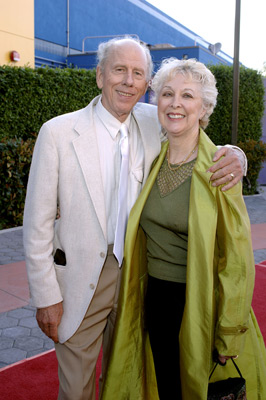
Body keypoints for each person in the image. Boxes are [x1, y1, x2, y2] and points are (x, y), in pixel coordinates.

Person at [23, 37, 246, 400]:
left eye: (138, 73)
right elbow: (36, 225)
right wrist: (45, 295)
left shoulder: (154, 118)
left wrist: (237, 155)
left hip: (137, 276)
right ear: (99, 76)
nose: (128, 81)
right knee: (77, 388)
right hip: (81, 280)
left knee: (126, 378)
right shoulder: (58, 133)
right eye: (119, 70)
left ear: (146, 85)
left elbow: (199, 137)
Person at [101, 58, 266, 400]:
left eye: (188, 96)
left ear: (204, 107)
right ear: (155, 100)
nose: (175, 103)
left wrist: (229, 331)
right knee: (165, 386)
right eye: (167, 93)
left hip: (200, 304)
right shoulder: (150, 156)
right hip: (153, 299)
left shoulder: (221, 168)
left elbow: (235, 260)